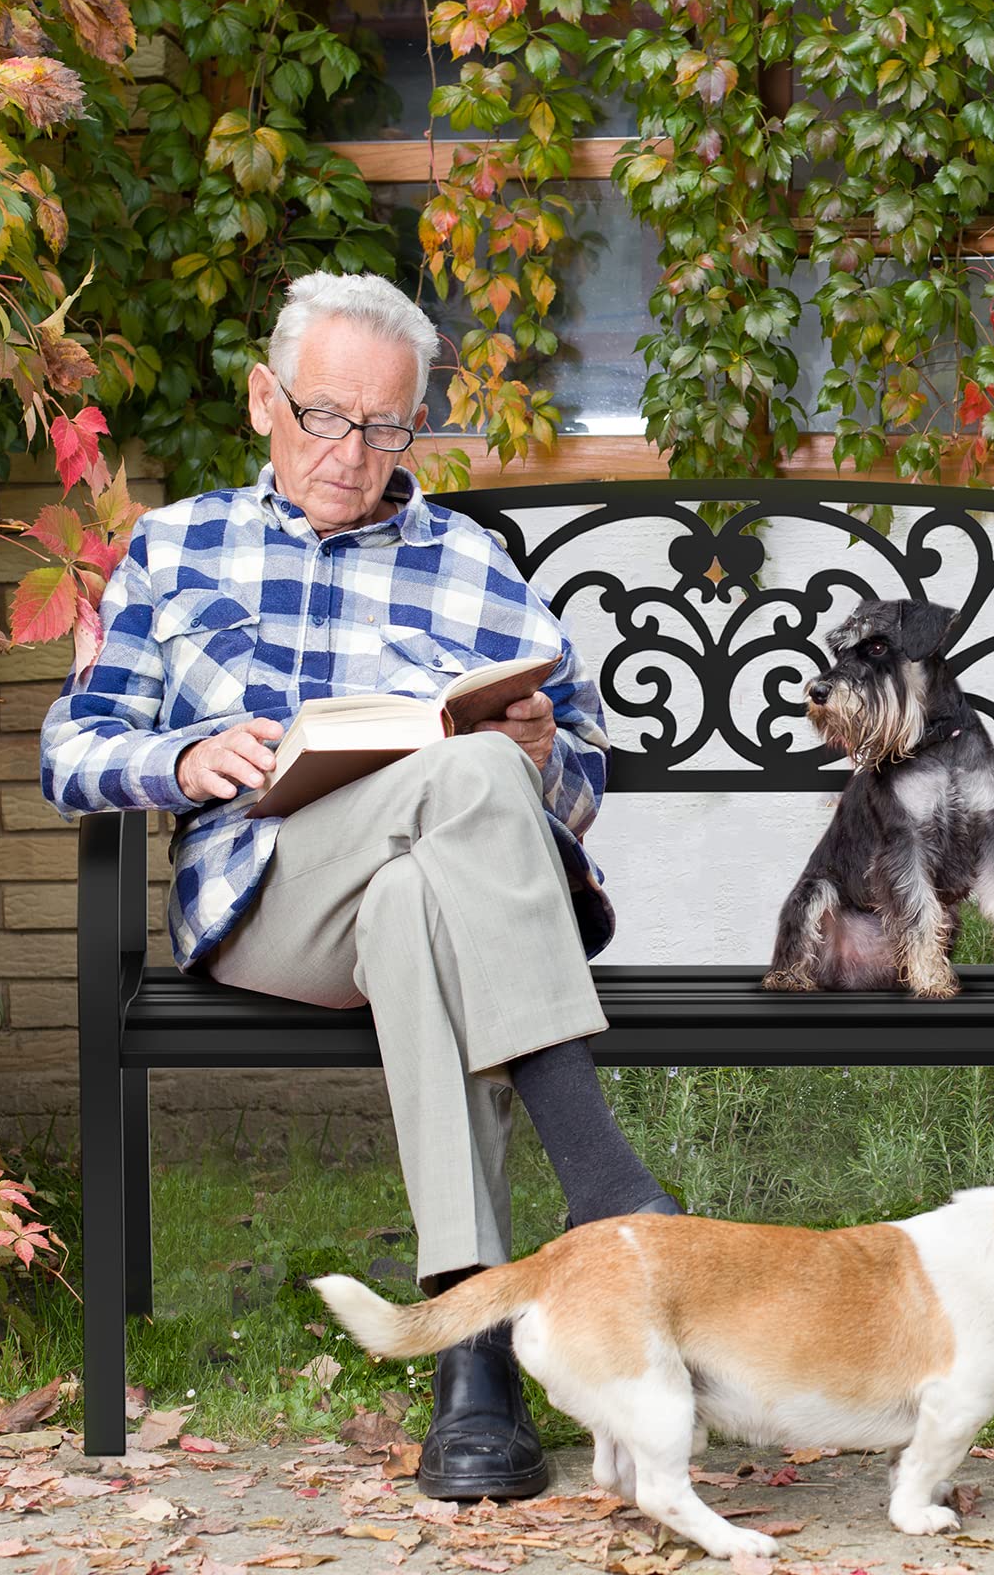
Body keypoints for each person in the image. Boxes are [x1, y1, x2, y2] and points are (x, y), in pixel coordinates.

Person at [40, 271, 680, 1500]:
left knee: (435, 870)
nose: (355, 454)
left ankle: (472, 1352)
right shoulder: (173, 551)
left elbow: (586, 766)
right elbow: (72, 750)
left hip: (419, 903)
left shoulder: (472, 564)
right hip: (264, 896)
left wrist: (546, 759)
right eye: (329, 417)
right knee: (475, 778)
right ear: (263, 401)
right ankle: (605, 1185)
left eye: (388, 427)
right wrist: (180, 756)